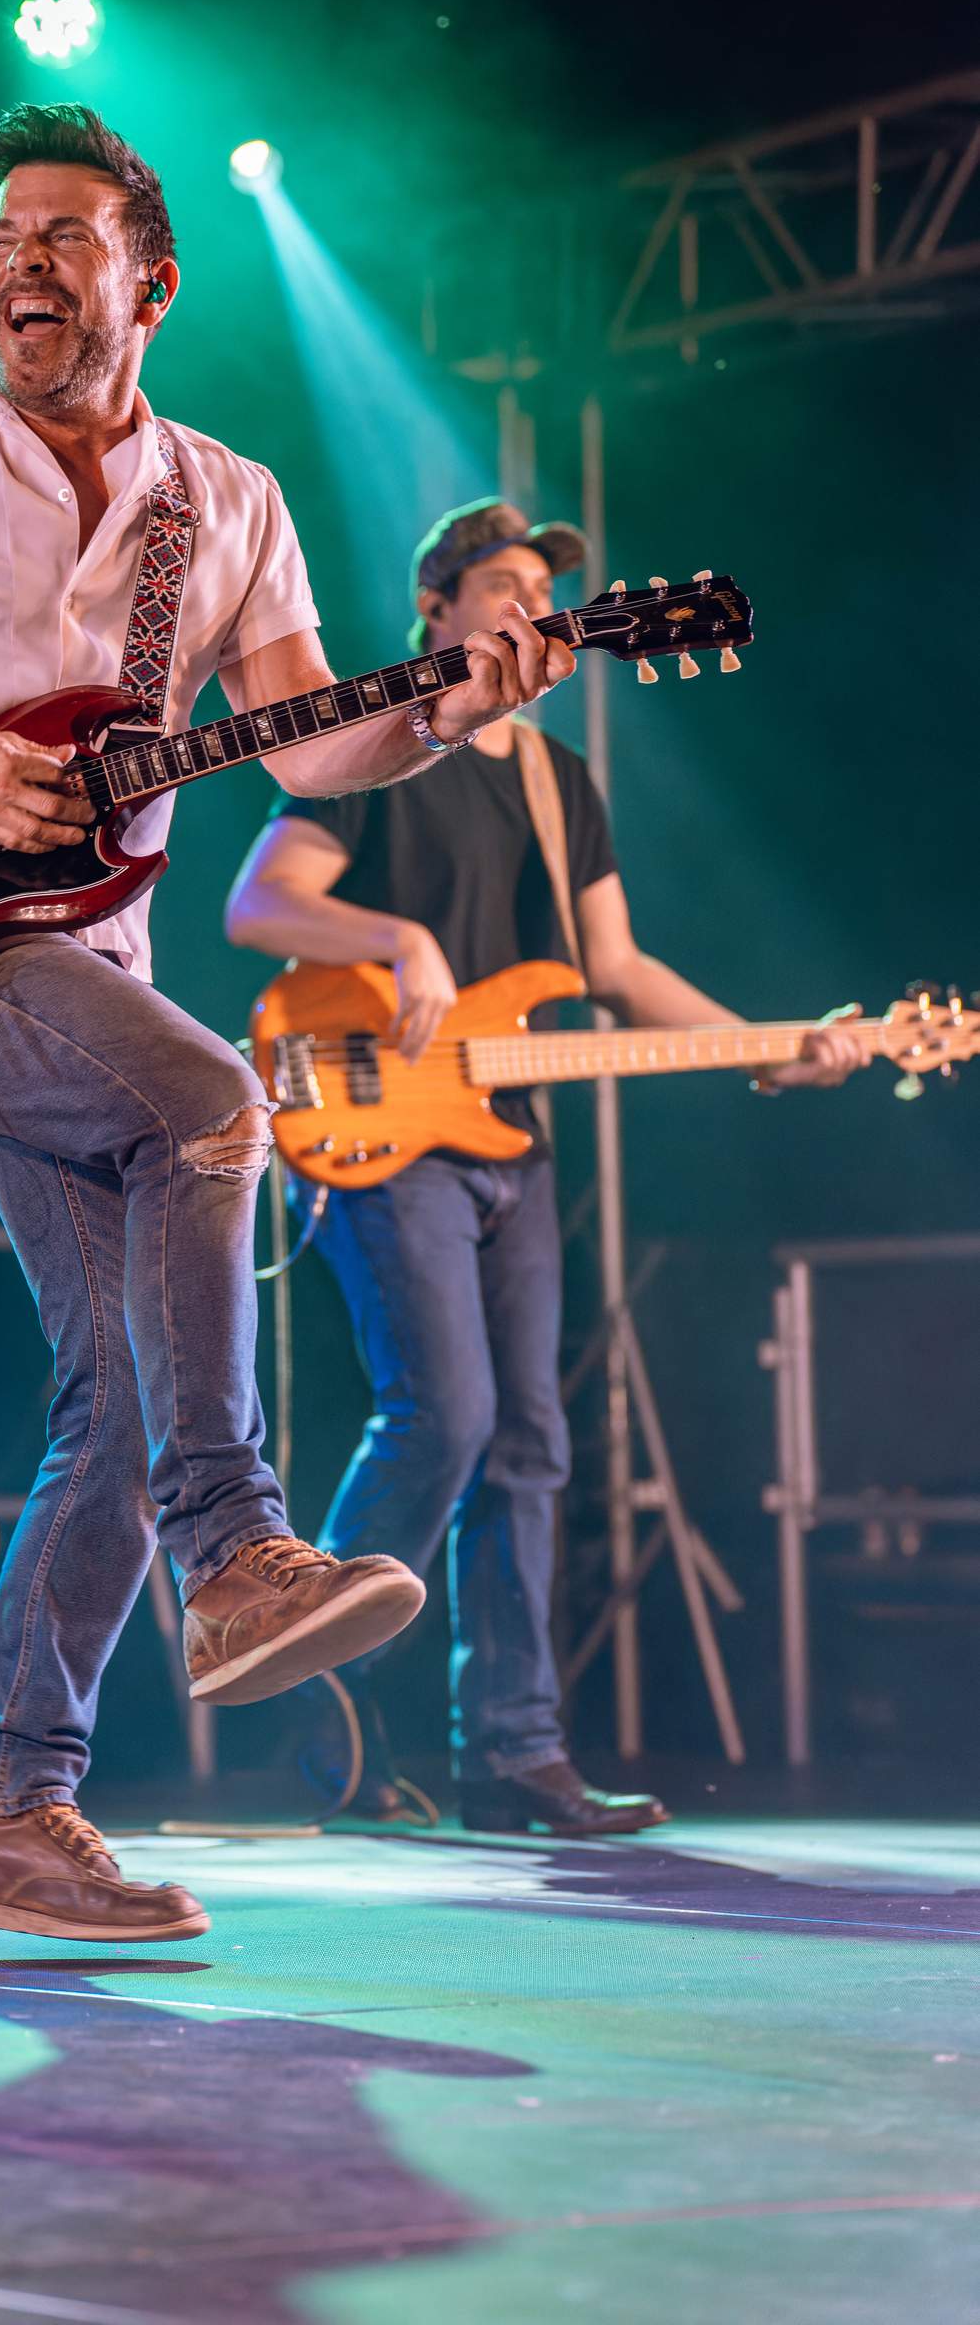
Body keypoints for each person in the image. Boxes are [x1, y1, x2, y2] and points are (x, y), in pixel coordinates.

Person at [0, 111, 574, 1939]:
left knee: (106, 1398)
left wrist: (439, 712)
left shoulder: (226, 501)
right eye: (4, 233)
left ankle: (5, 1811)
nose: (24, 258)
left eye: (65, 235)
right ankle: (239, 1548)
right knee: (212, 1103)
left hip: (79, 965)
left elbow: (305, 737)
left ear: (147, 284)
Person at [225, 498, 865, 1835]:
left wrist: (772, 1045)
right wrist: (397, 942)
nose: (529, 605)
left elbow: (616, 972)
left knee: (529, 1437)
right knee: (442, 1417)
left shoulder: (559, 781)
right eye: (501, 585)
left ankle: (509, 1758)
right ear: (436, 615)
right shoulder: (375, 748)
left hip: (512, 1136)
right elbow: (256, 902)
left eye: (542, 589)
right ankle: (329, 1712)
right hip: (377, 1116)